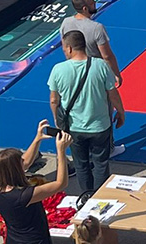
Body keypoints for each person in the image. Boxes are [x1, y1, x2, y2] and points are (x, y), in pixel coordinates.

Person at [48, 31, 125, 193]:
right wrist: (121, 112)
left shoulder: (58, 69)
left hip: (74, 127)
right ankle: (99, 196)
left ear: (69, 48)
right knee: (101, 164)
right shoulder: (100, 65)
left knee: (81, 164)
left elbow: (54, 100)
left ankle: (85, 196)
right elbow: (113, 93)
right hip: (100, 126)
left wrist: (57, 119)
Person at [60, 0, 125, 158]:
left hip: (74, 71)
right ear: (84, 8)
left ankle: (84, 147)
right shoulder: (96, 28)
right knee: (104, 109)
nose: (95, 3)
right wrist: (116, 73)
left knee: (79, 108)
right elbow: (107, 55)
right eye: (91, 2)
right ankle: (107, 148)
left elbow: (65, 47)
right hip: (96, 72)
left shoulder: (66, 23)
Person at [0, 121, 73, 244]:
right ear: (15, 170)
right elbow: (60, 183)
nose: (24, 162)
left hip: (14, 239)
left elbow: (25, 162)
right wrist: (61, 151)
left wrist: (37, 139)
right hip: (34, 240)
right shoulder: (22, 196)